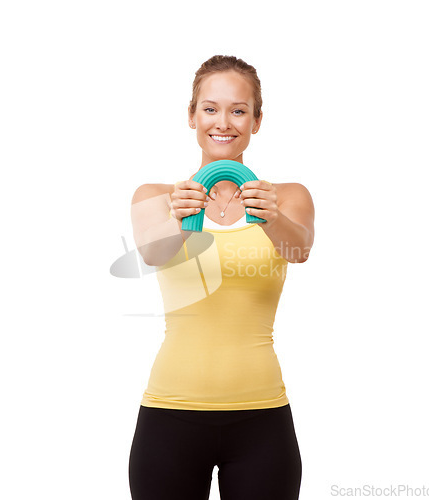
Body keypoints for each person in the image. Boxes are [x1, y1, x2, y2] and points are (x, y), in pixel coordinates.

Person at [128, 55, 315, 500]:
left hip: (262, 418)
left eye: (238, 109)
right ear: (191, 115)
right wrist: (179, 214)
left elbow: (299, 251)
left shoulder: (286, 196)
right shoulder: (155, 196)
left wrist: (270, 218)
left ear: (257, 119)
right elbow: (154, 254)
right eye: (210, 108)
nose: (223, 122)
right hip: (169, 413)